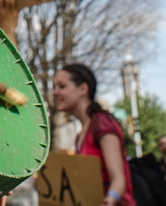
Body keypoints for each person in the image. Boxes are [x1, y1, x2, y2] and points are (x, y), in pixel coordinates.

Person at [53, 63, 136, 206]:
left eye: (62, 86)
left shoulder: (103, 123)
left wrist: (111, 198)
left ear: (83, 89)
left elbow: (118, 179)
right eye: (55, 87)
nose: (55, 92)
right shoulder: (81, 134)